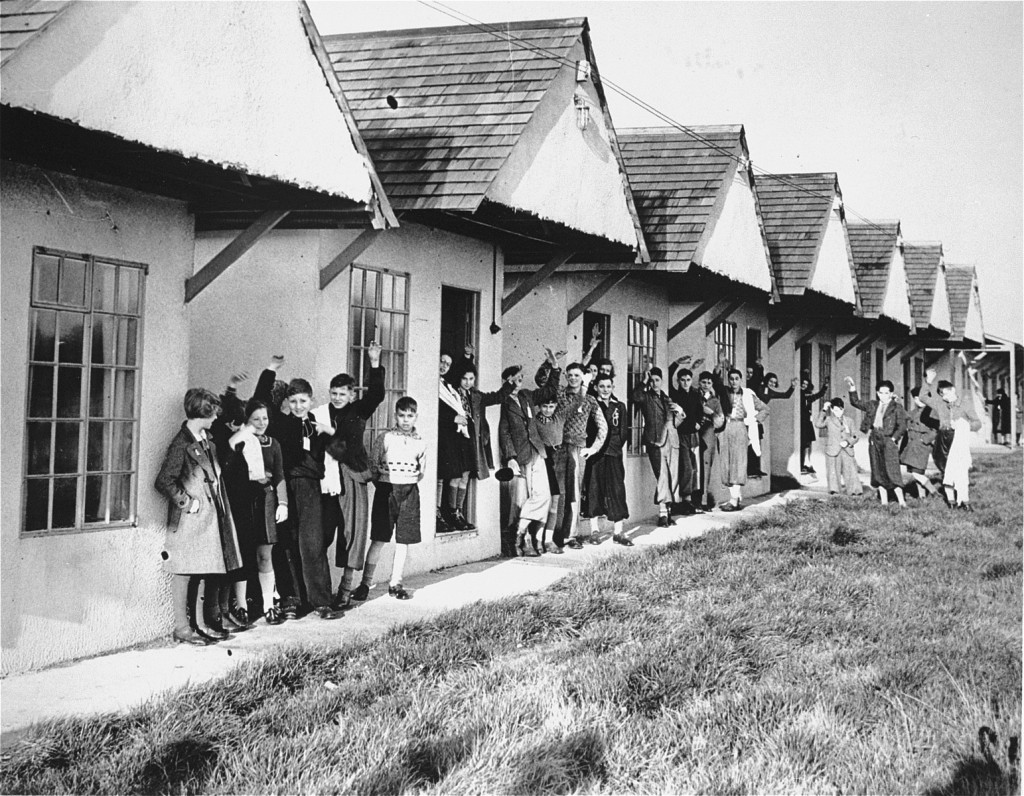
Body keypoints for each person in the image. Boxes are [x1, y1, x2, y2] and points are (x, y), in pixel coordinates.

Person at [155, 388, 243, 645]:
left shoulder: (207, 442)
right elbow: (164, 481)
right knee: (183, 572)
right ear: (201, 414)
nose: (216, 418)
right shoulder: (181, 444)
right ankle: (182, 628)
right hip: (190, 520)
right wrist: (187, 503)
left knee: (205, 568)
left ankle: (200, 624)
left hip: (207, 519)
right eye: (213, 413)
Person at [314, 341, 385, 610]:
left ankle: (345, 589)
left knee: (352, 534)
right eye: (333, 393)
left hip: (352, 475)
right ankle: (320, 593)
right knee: (322, 534)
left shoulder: (358, 410)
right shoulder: (322, 412)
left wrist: (374, 362)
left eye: (342, 394)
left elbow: (377, 394)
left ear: (351, 395)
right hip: (326, 478)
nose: (337, 398)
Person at [277, 378, 343, 620]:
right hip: (287, 486)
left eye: (302, 401)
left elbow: (341, 451)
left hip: (311, 488)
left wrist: (331, 433)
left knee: (312, 544)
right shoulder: (283, 424)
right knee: (288, 543)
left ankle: (321, 602)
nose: (298, 405)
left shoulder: (318, 425)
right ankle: (292, 601)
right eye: (293, 401)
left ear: (311, 401)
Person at [224, 399, 289, 625]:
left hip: (266, 500)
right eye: (256, 419)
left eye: (265, 418)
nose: (262, 423)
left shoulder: (274, 444)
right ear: (247, 421)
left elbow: (279, 474)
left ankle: (269, 605)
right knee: (242, 552)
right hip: (243, 499)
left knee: (265, 554)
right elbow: (228, 467)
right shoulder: (240, 441)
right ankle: (241, 605)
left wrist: (283, 503)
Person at [358, 396, 427, 600]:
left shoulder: (420, 442)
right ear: (395, 416)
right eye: (402, 415)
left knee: (403, 540)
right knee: (379, 538)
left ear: (416, 417)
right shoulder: (385, 438)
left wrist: (408, 480)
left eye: (410, 416)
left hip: (409, 492)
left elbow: (422, 470)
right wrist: (384, 484)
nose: (406, 420)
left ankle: (395, 583)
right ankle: (365, 583)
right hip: (387, 491)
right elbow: (372, 464)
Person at [437, 348, 513, 531]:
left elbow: (497, 397)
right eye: (465, 379)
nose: (468, 383)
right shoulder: (450, 391)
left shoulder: (476, 396)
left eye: (471, 379)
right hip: (454, 440)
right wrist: (467, 357)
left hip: (470, 441)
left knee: (464, 477)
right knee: (452, 477)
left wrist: (509, 384)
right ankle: (447, 512)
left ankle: (458, 513)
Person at [498, 351, 561, 557]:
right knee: (521, 499)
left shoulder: (526, 395)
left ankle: (519, 531)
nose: (520, 381)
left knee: (543, 495)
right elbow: (504, 432)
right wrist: (511, 457)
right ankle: (522, 541)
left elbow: (550, 390)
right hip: (520, 456)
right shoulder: (505, 401)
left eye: (521, 378)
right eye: (516, 378)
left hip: (537, 451)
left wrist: (554, 367)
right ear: (508, 380)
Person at [555, 363, 608, 549]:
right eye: (569, 375)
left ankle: (571, 536)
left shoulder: (591, 400)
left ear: (583, 377)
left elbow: (603, 426)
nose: (573, 378)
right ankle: (555, 535)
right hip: (559, 447)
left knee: (574, 492)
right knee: (558, 492)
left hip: (578, 448)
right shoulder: (561, 394)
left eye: (577, 375)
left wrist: (594, 448)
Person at [920, 367, 983, 510]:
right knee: (946, 470)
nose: (945, 396)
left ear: (954, 389)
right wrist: (928, 381)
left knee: (960, 471)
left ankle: (965, 502)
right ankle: (951, 502)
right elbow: (923, 397)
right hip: (943, 439)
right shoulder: (940, 404)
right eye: (942, 394)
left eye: (948, 392)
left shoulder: (965, 405)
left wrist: (963, 424)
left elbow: (977, 423)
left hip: (958, 439)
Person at [582, 374, 633, 545]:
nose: (605, 390)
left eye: (608, 386)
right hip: (596, 455)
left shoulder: (619, 406)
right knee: (594, 490)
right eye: (602, 386)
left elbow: (624, 432)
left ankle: (618, 532)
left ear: (612, 387)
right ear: (595, 387)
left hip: (613, 454)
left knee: (617, 490)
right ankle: (594, 531)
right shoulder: (591, 405)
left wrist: (615, 446)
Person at [632, 366, 685, 526]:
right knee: (662, 476)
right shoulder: (646, 397)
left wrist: (681, 414)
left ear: (662, 381)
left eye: (657, 380)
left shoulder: (667, 398)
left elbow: (674, 422)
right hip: (655, 441)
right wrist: (644, 381)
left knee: (673, 477)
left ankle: (668, 512)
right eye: (652, 380)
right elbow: (635, 397)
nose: (655, 383)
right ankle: (662, 513)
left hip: (672, 441)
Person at [845, 377, 907, 507]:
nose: (883, 396)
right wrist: (852, 388)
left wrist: (894, 439)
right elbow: (855, 402)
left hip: (888, 439)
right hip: (874, 438)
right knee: (877, 470)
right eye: (880, 393)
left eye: (886, 393)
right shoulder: (873, 405)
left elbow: (902, 426)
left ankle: (902, 502)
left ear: (891, 393)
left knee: (892, 469)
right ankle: (884, 502)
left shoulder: (897, 407)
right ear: (877, 393)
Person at [718, 369, 769, 512]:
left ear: (741, 380)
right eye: (731, 379)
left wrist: (753, 420)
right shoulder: (724, 393)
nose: (734, 382)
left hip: (740, 426)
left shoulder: (748, 394)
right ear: (728, 380)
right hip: (725, 427)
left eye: (736, 379)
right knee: (726, 462)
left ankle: (733, 501)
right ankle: (736, 497)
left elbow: (765, 409)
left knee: (738, 463)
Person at [667, 363, 706, 515]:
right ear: (678, 381)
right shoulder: (676, 395)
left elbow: (700, 413)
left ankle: (691, 499)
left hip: (694, 436)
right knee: (686, 467)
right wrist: (677, 363)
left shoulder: (696, 394)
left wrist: (699, 423)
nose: (685, 382)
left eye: (688, 379)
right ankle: (685, 499)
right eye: (682, 380)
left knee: (694, 468)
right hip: (681, 435)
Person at [814, 398, 862, 496]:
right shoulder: (828, 420)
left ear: (843, 409)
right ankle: (834, 490)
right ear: (831, 410)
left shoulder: (849, 421)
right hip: (833, 450)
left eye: (840, 410)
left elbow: (855, 435)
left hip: (847, 449)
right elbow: (818, 424)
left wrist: (848, 442)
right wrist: (824, 410)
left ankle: (854, 491)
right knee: (833, 470)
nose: (838, 412)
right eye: (835, 410)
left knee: (850, 470)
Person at [900, 387, 941, 500]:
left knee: (916, 473)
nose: (918, 401)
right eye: (916, 398)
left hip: (922, 445)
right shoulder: (912, 412)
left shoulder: (932, 412)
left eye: (921, 398)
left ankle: (933, 491)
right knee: (916, 472)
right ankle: (922, 497)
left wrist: (925, 440)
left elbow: (936, 429)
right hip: (911, 444)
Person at [696, 370, 725, 510]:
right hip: (695, 433)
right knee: (695, 467)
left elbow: (720, 421)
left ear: (712, 384)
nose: (706, 385)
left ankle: (704, 500)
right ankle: (692, 500)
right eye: (703, 382)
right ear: (699, 383)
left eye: (708, 382)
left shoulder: (715, 401)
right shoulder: (695, 395)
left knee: (706, 466)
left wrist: (711, 413)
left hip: (708, 434)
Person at [799, 375, 829, 474]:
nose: (804, 386)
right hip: (801, 423)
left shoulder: (808, 396)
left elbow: (819, 395)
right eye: (802, 384)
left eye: (806, 384)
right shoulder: (799, 395)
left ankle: (807, 464)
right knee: (803, 444)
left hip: (807, 422)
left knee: (808, 444)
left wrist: (825, 386)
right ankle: (802, 465)